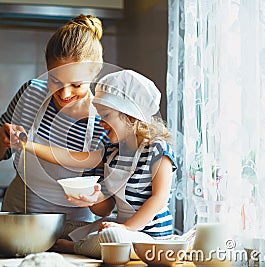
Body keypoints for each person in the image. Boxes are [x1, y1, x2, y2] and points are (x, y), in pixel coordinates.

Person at [23, 69, 178, 258]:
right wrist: (93, 199)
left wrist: (126, 229)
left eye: (106, 115)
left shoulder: (157, 150)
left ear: (130, 116)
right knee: (64, 227)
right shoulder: (112, 153)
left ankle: (74, 247)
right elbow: (73, 158)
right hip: (119, 228)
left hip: (150, 239)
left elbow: (159, 199)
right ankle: (84, 242)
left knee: (112, 237)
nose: (100, 123)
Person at [0, 14, 110, 240]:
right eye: (55, 81)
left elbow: (105, 207)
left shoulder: (105, 121)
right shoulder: (30, 94)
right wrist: (2, 141)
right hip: (17, 222)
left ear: (95, 74)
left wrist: (93, 199)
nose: (64, 93)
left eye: (77, 84)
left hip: (72, 231)